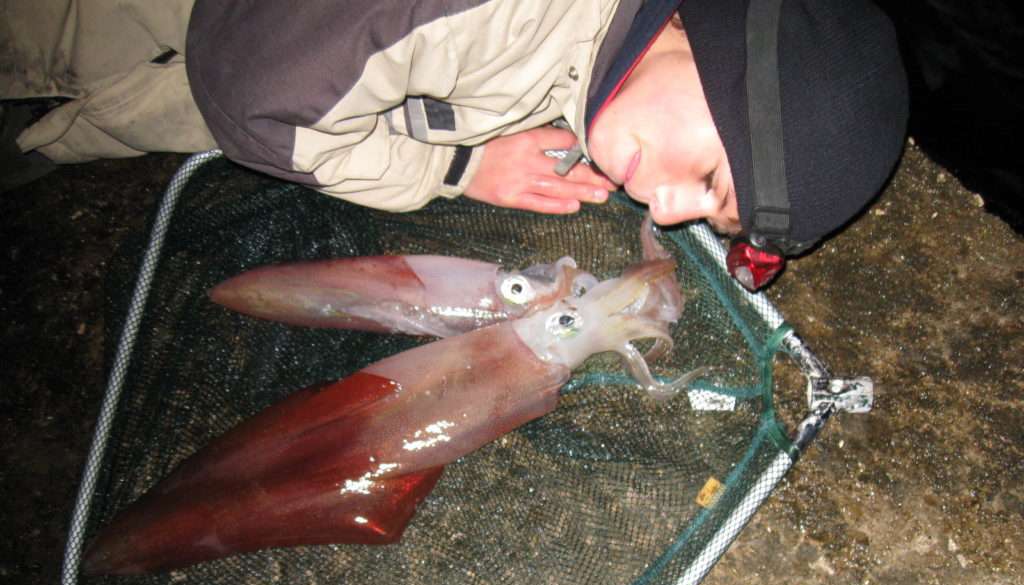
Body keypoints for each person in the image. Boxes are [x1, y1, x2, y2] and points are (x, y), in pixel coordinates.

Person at [2, 0, 907, 253]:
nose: (664, 213)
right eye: (709, 181)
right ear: (702, 42)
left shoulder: (611, 50)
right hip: (110, 39)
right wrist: (453, 169)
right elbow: (252, 101)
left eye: (701, 218)